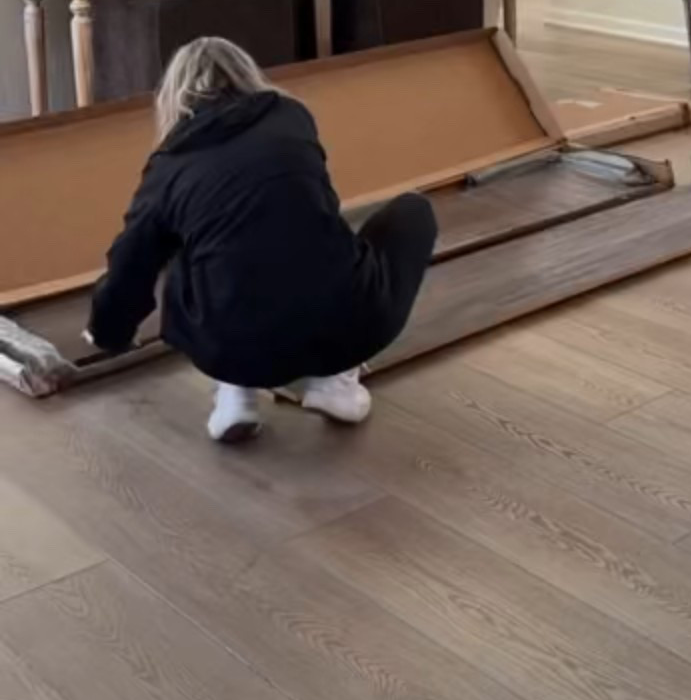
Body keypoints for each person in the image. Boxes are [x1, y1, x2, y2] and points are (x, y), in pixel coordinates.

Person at [88, 37, 437, 444]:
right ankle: (334, 379)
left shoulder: (168, 169)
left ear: (173, 95)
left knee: (196, 242)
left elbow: (131, 262)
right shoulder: (291, 116)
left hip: (228, 347)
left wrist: (109, 331)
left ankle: (236, 392)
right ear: (247, 74)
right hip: (348, 326)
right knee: (412, 211)